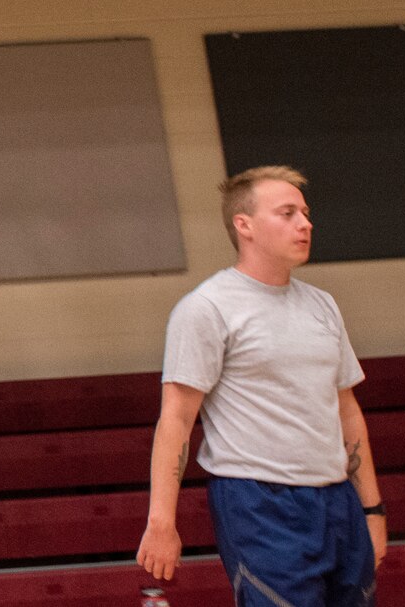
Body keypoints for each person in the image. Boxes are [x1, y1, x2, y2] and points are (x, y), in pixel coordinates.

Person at [136, 166, 386, 607]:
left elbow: (346, 409)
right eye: (287, 213)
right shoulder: (206, 308)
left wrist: (372, 509)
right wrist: (161, 521)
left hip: (337, 499)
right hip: (259, 502)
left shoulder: (322, 305)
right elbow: (176, 419)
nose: (305, 223)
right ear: (244, 225)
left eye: (305, 213)